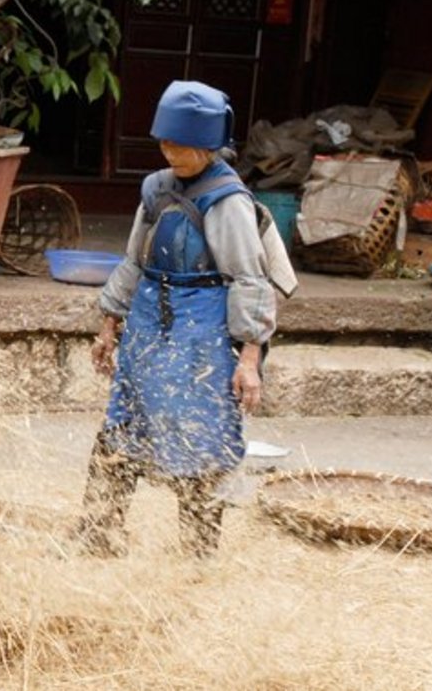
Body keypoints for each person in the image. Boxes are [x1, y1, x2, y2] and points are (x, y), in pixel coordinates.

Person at [74, 80, 280, 560]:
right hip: (148, 321)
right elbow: (132, 261)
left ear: (210, 145)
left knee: (199, 435)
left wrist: (249, 358)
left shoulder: (228, 201)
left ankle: (196, 555)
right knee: (122, 425)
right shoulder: (156, 188)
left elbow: (250, 279)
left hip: (199, 331)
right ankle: (98, 534)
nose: (171, 152)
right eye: (165, 142)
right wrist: (109, 324)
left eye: (182, 145)